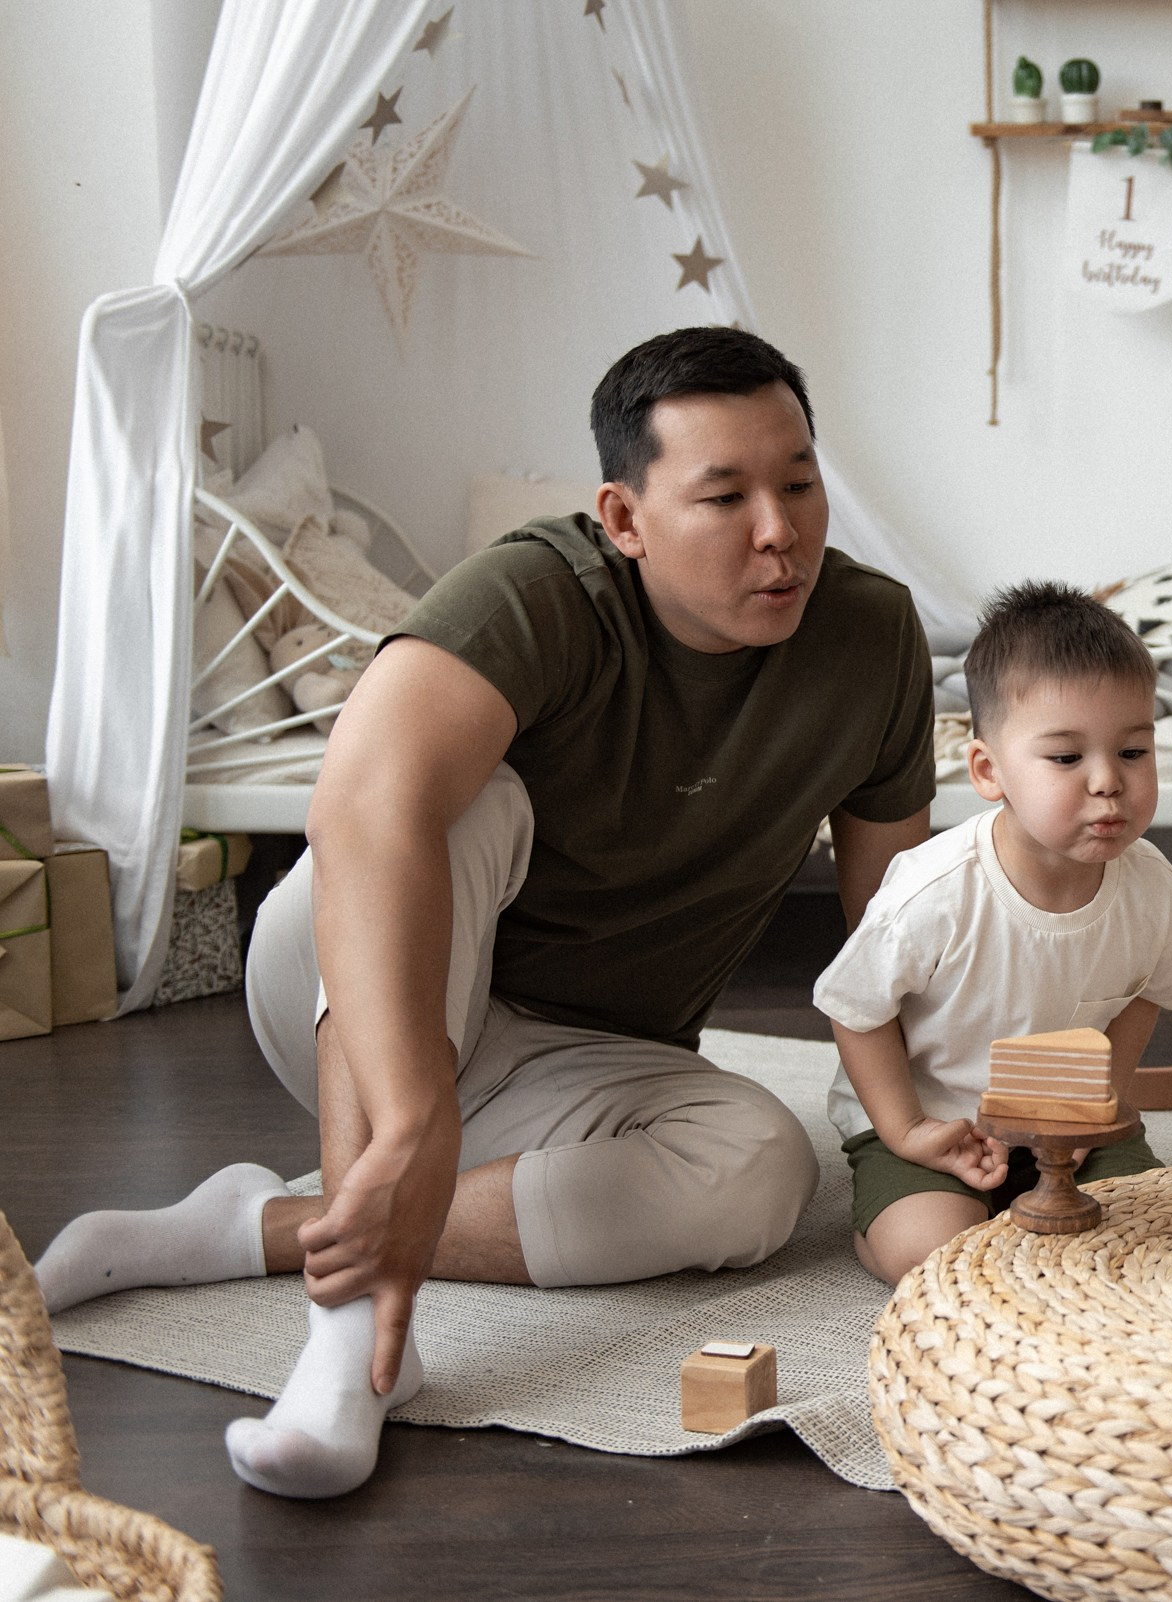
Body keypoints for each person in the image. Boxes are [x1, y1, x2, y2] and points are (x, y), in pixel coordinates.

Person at [34, 327, 937, 1497]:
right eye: (725, 496)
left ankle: (249, 1228)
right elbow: (359, 808)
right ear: (624, 519)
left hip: (579, 1063)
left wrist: (931, 1140)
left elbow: (893, 927)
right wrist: (413, 1115)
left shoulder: (871, 639)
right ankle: (352, 1346)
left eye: (800, 483)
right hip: (358, 979)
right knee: (458, 796)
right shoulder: (538, 593)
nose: (781, 531)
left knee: (764, 1169)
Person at [813, 582, 1172, 1284]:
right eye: (1067, 758)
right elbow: (853, 1010)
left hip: (1071, 1123)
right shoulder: (934, 892)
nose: (1108, 782)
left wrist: (1092, 1110)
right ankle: (900, 1210)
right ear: (990, 771)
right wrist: (907, 1130)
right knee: (933, 1258)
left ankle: (1033, 1199)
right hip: (936, 1119)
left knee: (1153, 1237)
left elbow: (1145, 999)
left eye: (1133, 752)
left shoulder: (1153, 888)